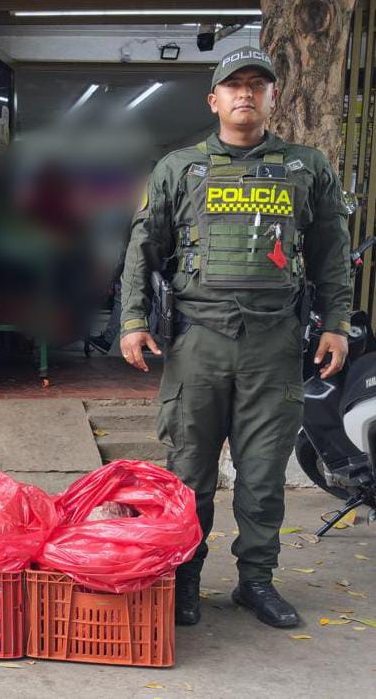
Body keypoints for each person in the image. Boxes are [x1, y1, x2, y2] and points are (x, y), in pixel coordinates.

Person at [119, 46, 351, 628]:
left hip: (274, 343)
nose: (245, 94)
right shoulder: (180, 168)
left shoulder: (306, 168)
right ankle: (186, 580)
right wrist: (133, 321)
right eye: (234, 85)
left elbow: (330, 254)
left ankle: (256, 583)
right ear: (214, 100)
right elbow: (141, 250)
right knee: (189, 472)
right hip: (199, 341)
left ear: (274, 97)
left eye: (257, 85)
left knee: (263, 473)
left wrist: (337, 325)